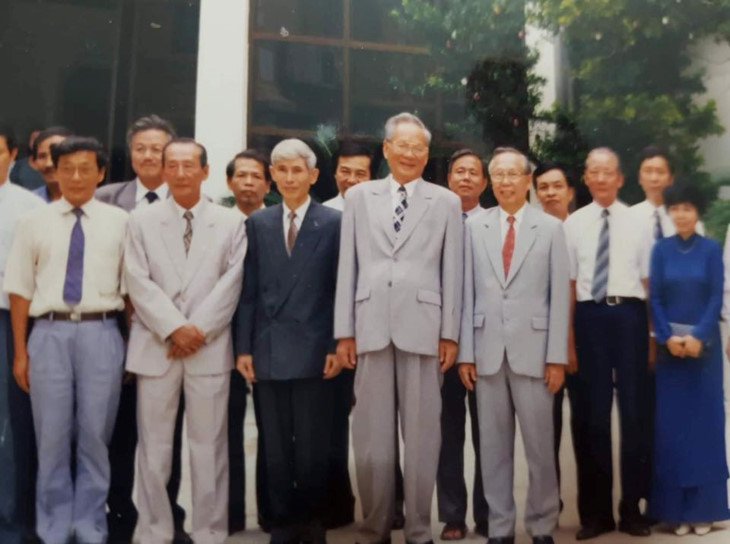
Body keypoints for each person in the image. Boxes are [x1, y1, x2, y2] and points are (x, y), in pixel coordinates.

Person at [335, 112, 463, 544]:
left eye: (419, 147)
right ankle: (374, 527)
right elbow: (347, 267)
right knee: (371, 437)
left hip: (424, 328)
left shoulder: (445, 202)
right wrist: (344, 331)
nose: (410, 153)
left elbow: (452, 271)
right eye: (403, 145)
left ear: (427, 154)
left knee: (423, 436)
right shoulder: (359, 197)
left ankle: (419, 528)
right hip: (369, 325)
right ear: (386, 149)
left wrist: (450, 333)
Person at [4, 136, 128, 544]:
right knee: (52, 436)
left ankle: (90, 527)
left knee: (95, 434)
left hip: (102, 331)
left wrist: (130, 346)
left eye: (85, 168)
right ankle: (54, 529)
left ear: (101, 173)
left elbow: (130, 292)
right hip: (49, 334)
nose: (76, 176)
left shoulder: (120, 222)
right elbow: (19, 290)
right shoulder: (33, 222)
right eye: (67, 168)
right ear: (54, 171)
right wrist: (20, 353)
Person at [124, 138, 246, 544]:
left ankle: (210, 529)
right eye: (171, 165)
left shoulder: (230, 222)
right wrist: (174, 328)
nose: (179, 173)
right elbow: (137, 281)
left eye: (188, 165)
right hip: (156, 345)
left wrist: (197, 330)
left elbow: (232, 282)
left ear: (205, 171)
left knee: (209, 446)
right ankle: (154, 530)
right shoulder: (141, 220)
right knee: (153, 448)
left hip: (207, 347)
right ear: (163, 170)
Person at [458, 147, 568, 544]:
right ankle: (500, 527)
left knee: (540, 448)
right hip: (486, 352)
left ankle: (541, 525)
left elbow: (559, 298)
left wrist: (556, 358)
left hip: (535, 354)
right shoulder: (474, 228)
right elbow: (465, 294)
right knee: (493, 449)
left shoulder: (550, 229)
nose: (505, 182)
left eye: (512, 175)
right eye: (498, 175)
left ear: (527, 181)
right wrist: (466, 354)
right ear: (491, 182)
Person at [236, 138, 342, 544]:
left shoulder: (333, 222)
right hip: (269, 347)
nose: (290, 177)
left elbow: (339, 290)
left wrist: (335, 345)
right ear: (272, 176)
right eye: (282, 170)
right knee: (275, 444)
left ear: (313, 176)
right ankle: (281, 523)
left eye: (298, 170)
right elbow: (248, 291)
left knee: (313, 443)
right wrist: (244, 348)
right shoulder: (259, 223)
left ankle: (312, 523)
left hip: (317, 348)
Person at [95, 115, 191, 544]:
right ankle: (120, 516)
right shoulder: (105, 198)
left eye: (158, 149)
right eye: (141, 148)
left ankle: (168, 517)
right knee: (119, 435)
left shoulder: (190, 201)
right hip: (116, 336)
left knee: (165, 438)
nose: (149, 156)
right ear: (130, 153)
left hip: (169, 341)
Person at [564, 148, 652, 540]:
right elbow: (569, 284)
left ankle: (632, 510)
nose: (600, 178)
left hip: (630, 317)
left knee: (634, 415)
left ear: (620, 178)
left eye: (608, 172)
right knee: (593, 417)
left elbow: (648, 282)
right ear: (585, 178)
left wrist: (651, 336)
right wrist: (568, 340)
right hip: (589, 318)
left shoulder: (638, 222)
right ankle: (596, 514)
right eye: (594, 172)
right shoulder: (573, 224)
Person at [648, 182, 730, 536]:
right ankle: (677, 512)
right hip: (671, 355)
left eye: (688, 208)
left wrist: (698, 336)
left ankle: (705, 511)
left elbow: (716, 296)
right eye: (675, 208)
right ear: (669, 212)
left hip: (703, 353)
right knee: (672, 431)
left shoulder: (711, 249)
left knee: (704, 429)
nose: (681, 215)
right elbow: (655, 298)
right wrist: (667, 337)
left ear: (697, 212)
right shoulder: (661, 250)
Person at [438, 148, 489, 541]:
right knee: (447, 432)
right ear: (448, 179)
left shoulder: (494, 223)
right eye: (460, 171)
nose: (466, 178)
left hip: (487, 343)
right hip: (442, 344)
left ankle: (489, 514)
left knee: (488, 434)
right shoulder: (434, 219)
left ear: (484, 183)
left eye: (474, 172)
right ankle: (453, 515)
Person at [0, 126, 44, 544]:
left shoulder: (29, 208)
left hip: (7, 321)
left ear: (13, 155)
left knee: (8, 427)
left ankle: (10, 525)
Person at [224, 148, 271, 534]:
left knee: (272, 431)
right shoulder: (219, 225)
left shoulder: (277, 224)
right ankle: (232, 513)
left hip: (268, 340)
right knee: (227, 428)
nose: (249, 183)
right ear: (229, 182)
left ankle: (271, 512)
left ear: (268, 184)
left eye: (256, 176)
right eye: (241, 175)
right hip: (223, 340)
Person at [533, 161, 576, 512]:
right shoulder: (533, 230)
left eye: (557, 186)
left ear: (570, 191)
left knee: (589, 425)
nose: (550, 193)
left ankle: (593, 509)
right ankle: (550, 504)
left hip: (584, 337)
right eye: (543, 187)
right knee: (546, 429)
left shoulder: (584, 228)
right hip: (544, 343)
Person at [323, 140, 373, 211]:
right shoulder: (324, 212)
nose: (352, 180)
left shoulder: (384, 211)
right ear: (335, 174)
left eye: (360, 174)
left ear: (371, 178)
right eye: (345, 172)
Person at [29, 127, 73, 203]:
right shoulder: (27, 203)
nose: (49, 164)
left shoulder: (93, 200)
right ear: (34, 162)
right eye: (42, 156)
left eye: (56, 155)